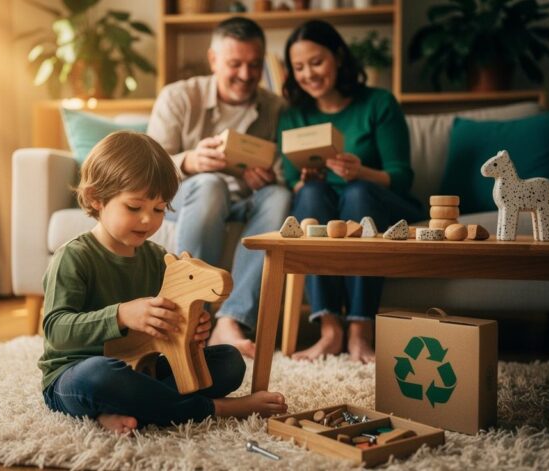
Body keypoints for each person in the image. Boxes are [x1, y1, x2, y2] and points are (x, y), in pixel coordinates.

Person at [39, 131, 287, 435]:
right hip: (77, 373)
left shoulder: (158, 258)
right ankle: (215, 408)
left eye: (158, 209)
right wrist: (122, 315)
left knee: (229, 362)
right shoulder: (73, 257)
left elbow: (169, 321)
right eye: (134, 207)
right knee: (100, 375)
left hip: (144, 368)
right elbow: (56, 331)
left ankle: (128, 408)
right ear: (96, 199)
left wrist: (193, 329)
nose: (148, 220)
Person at [278, 20, 425, 363]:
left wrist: (362, 171)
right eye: (298, 67)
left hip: (377, 202)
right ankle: (330, 330)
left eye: (316, 62)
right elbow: (290, 182)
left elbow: (401, 176)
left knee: (358, 192)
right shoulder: (292, 115)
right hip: (325, 205)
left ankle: (360, 331)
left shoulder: (379, 103)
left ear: (339, 57)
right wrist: (305, 178)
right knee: (310, 195)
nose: (308, 74)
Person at [147, 17, 290, 359]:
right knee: (210, 184)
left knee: (280, 196)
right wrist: (189, 161)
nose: (245, 74)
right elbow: (146, 167)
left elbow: (288, 173)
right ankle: (190, 311)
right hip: (188, 197)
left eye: (254, 65)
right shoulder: (179, 97)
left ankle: (231, 320)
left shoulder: (276, 108)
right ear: (214, 60)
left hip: (247, 200)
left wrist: (268, 177)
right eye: (235, 64)